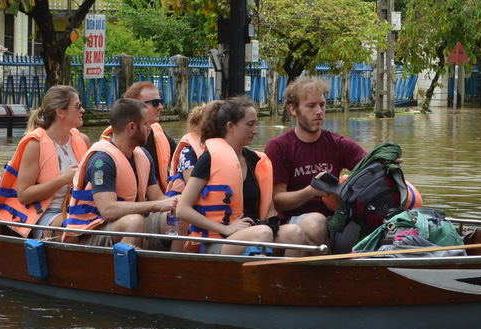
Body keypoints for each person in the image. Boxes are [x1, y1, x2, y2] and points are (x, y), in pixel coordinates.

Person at [175, 98, 312, 256]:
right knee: (262, 234)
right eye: (250, 124)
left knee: (296, 233)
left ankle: (283, 280)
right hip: (218, 240)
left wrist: (270, 222)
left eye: (256, 124)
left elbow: (270, 211)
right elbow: (182, 209)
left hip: (256, 231)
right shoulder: (209, 159)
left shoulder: (256, 160)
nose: (255, 130)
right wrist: (226, 228)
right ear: (231, 126)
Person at [264, 78, 367, 246]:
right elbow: (277, 200)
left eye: (322, 105)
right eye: (311, 106)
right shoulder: (279, 146)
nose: (319, 111)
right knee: (315, 222)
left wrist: (387, 162)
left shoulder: (338, 143)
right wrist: (311, 192)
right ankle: (333, 270)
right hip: (294, 222)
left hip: (335, 218)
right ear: (293, 109)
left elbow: (370, 167)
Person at [63, 98, 177, 248]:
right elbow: (108, 210)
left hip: (126, 224)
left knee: (178, 216)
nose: (150, 128)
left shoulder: (142, 155)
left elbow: (157, 197)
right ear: (131, 127)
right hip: (92, 230)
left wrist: (178, 202)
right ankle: (125, 270)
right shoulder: (102, 160)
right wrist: (157, 205)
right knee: (134, 222)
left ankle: (175, 269)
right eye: (146, 124)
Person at [0, 85, 89, 237]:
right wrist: (63, 180)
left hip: (80, 210)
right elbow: (23, 195)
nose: (82, 110)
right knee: (72, 227)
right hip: (45, 215)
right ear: (60, 112)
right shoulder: (35, 144)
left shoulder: (82, 140)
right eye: (78, 106)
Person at [101, 80, 176, 193]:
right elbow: (107, 207)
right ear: (136, 106)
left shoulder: (161, 137)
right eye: (155, 102)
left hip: (153, 202)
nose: (161, 107)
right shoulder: (110, 146)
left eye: (160, 101)